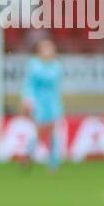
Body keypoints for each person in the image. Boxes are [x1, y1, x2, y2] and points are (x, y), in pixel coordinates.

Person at [21, 36, 63, 170]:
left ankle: (53, 163)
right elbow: (28, 84)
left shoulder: (57, 66)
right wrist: (27, 100)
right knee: (42, 129)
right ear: (39, 51)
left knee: (54, 131)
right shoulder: (34, 64)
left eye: (50, 48)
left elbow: (56, 85)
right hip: (38, 101)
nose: (48, 51)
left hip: (53, 101)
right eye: (45, 48)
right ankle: (29, 153)